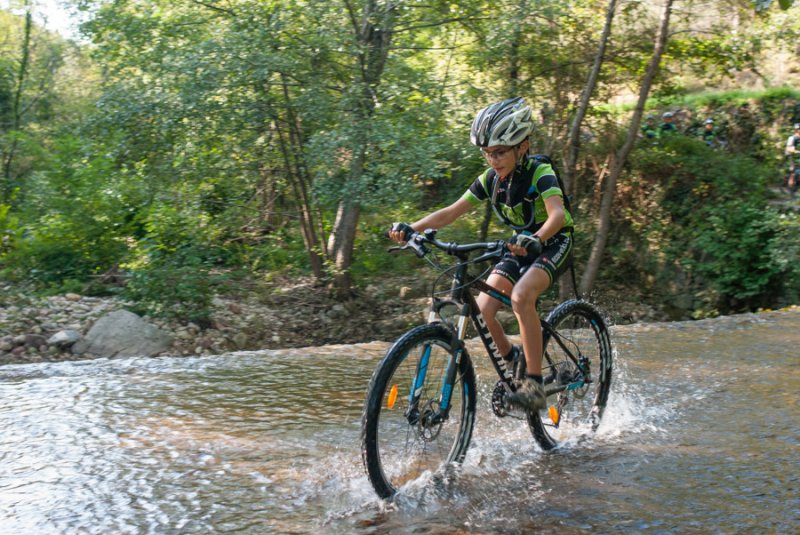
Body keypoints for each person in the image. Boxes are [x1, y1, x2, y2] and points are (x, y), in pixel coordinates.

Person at [388, 97, 574, 412]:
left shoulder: (540, 171)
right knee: (484, 309)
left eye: (499, 152)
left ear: (522, 146)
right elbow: (451, 212)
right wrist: (412, 229)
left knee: (521, 297)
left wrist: (537, 239)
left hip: (553, 241)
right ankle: (516, 360)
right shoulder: (491, 180)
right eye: (487, 153)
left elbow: (556, 215)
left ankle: (534, 384)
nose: (493, 160)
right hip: (519, 245)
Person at [786, 123, 800, 195]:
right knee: (793, 172)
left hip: (798, 157)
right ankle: (790, 189)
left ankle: (795, 187)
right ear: (797, 130)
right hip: (792, 156)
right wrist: (796, 151)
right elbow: (789, 149)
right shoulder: (792, 138)